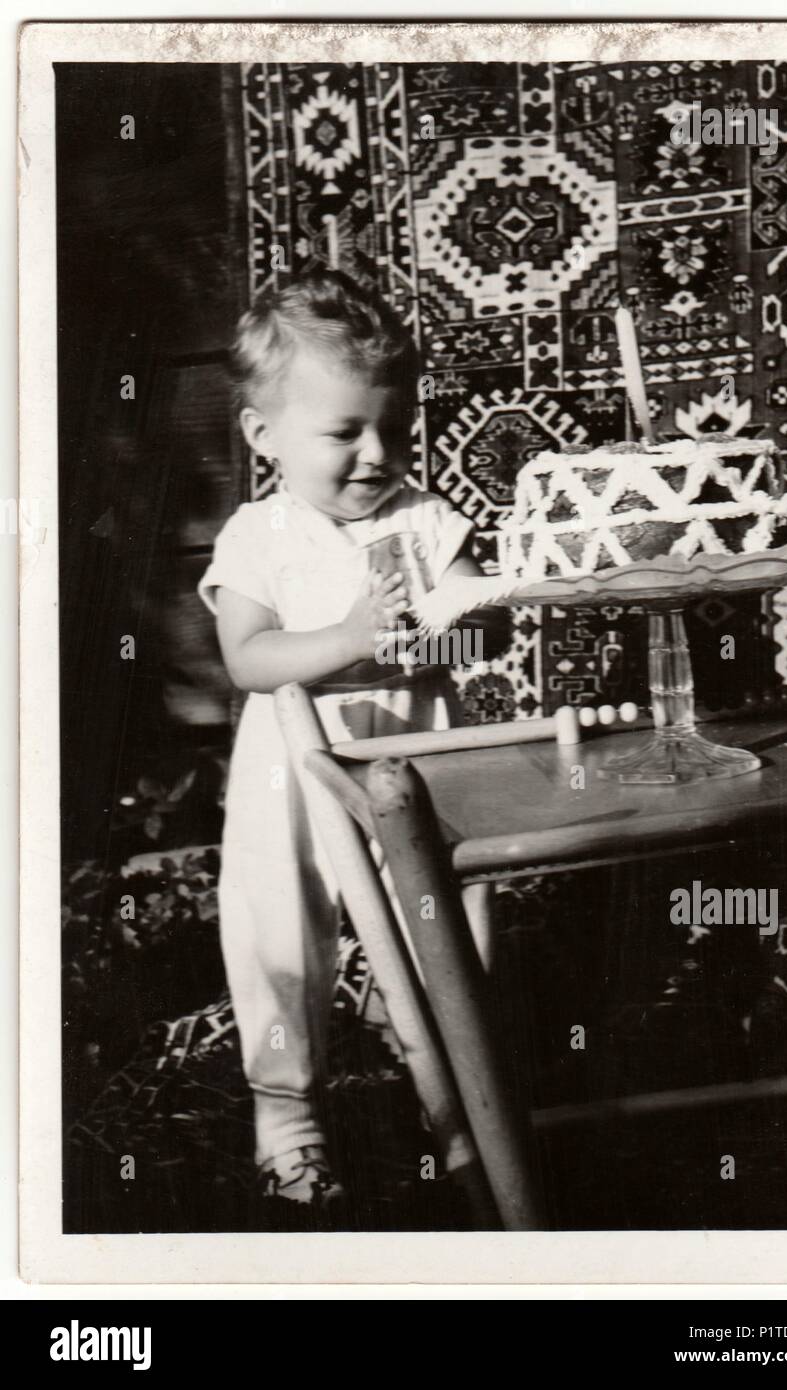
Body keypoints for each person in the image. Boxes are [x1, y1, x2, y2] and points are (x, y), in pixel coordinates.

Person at [199, 268, 506, 1210]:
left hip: (412, 756)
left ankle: (455, 1096)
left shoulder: (423, 519)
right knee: (275, 926)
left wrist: (451, 621)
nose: (377, 455)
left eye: (396, 429)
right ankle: (286, 1115)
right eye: (344, 433)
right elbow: (248, 659)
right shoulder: (260, 535)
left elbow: (483, 629)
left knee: (452, 919)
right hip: (293, 767)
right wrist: (350, 638)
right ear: (264, 437)